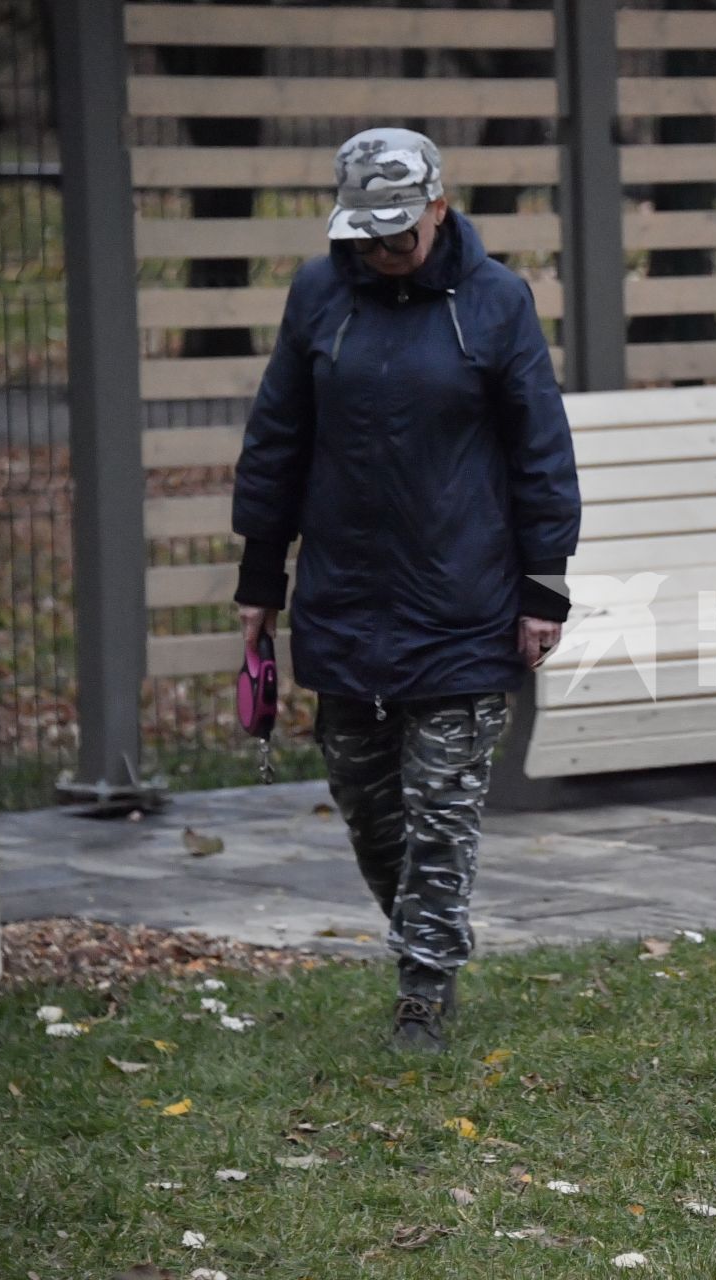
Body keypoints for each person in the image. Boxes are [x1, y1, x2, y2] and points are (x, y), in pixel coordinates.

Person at [231, 127, 581, 1053]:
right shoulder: (318, 295)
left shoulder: (498, 302)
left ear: (439, 205)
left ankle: (423, 994)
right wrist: (261, 577)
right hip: (345, 599)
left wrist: (544, 590)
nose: (382, 252)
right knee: (365, 801)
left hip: (465, 602)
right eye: (366, 234)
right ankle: (423, 946)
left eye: (399, 233)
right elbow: (278, 439)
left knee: (443, 812)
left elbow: (541, 452)